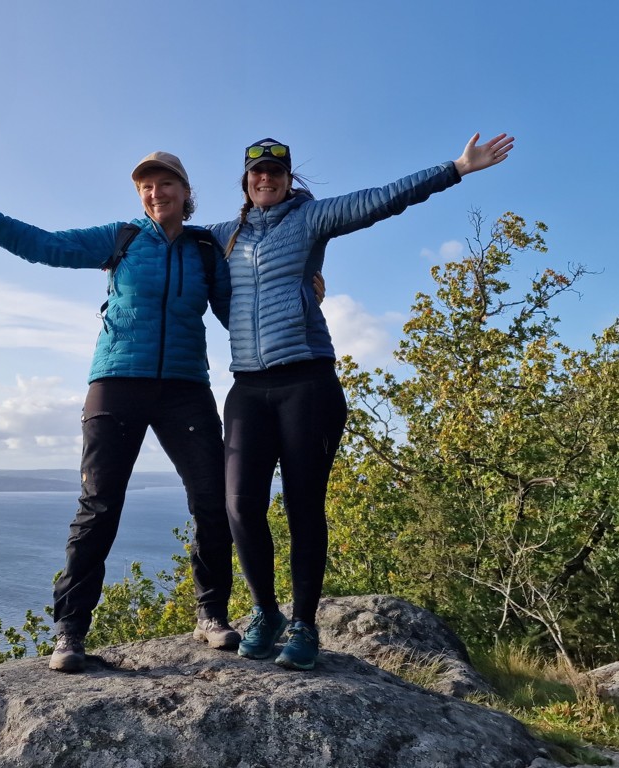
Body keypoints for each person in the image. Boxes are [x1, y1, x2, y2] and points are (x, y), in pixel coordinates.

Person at [205, 132, 514, 670]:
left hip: (308, 382)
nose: (266, 178)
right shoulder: (222, 236)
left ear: (288, 177)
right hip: (248, 387)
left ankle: (303, 625)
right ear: (245, 179)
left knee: (304, 505)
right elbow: (177, 250)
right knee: (238, 505)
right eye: (257, 171)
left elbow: (380, 199)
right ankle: (265, 611)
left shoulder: (312, 218)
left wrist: (457, 168)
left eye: (276, 171)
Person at [0, 151, 242, 672]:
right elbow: (47, 247)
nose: (154, 193)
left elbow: (240, 311)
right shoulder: (120, 238)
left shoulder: (207, 251)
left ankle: (210, 614)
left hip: (185, 386)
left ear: (186, 193)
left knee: (214, 501)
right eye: (146, 186)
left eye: (165, 184)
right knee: (99, 505)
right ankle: (70, 632)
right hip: (117, 380)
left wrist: (303, 293)